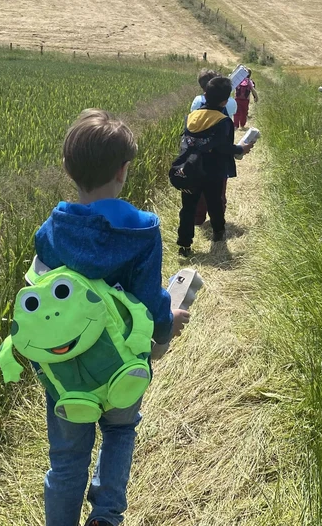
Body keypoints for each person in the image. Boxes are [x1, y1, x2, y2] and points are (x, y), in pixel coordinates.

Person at [33, 109, 191, 526]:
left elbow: (43, 295)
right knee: (120, 431)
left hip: (65, 370)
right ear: (123, 172)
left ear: (68, 169)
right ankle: (106, 515)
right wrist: (168, 321)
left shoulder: (52, 230)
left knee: (66, 458)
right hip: (123, 365)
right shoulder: (143, 230)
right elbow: (147, 299)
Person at [177, 76, 254, 256]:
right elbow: (223, 148)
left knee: (188, 208)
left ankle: (184, 245)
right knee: (215, 203)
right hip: (213, 171)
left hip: (189, 169)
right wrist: (241, 149)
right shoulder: (222, 120)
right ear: (225, 101)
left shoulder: (191, 116)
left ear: (205, 94)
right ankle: (218, 233)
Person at [189, 69, 235, 227]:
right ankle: (218, 222)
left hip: (198, 157)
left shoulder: (196, 102)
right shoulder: (229, 104)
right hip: (219, 161)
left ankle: (198, 219)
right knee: (219, 193)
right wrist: (239, 150)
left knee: (199, 191)